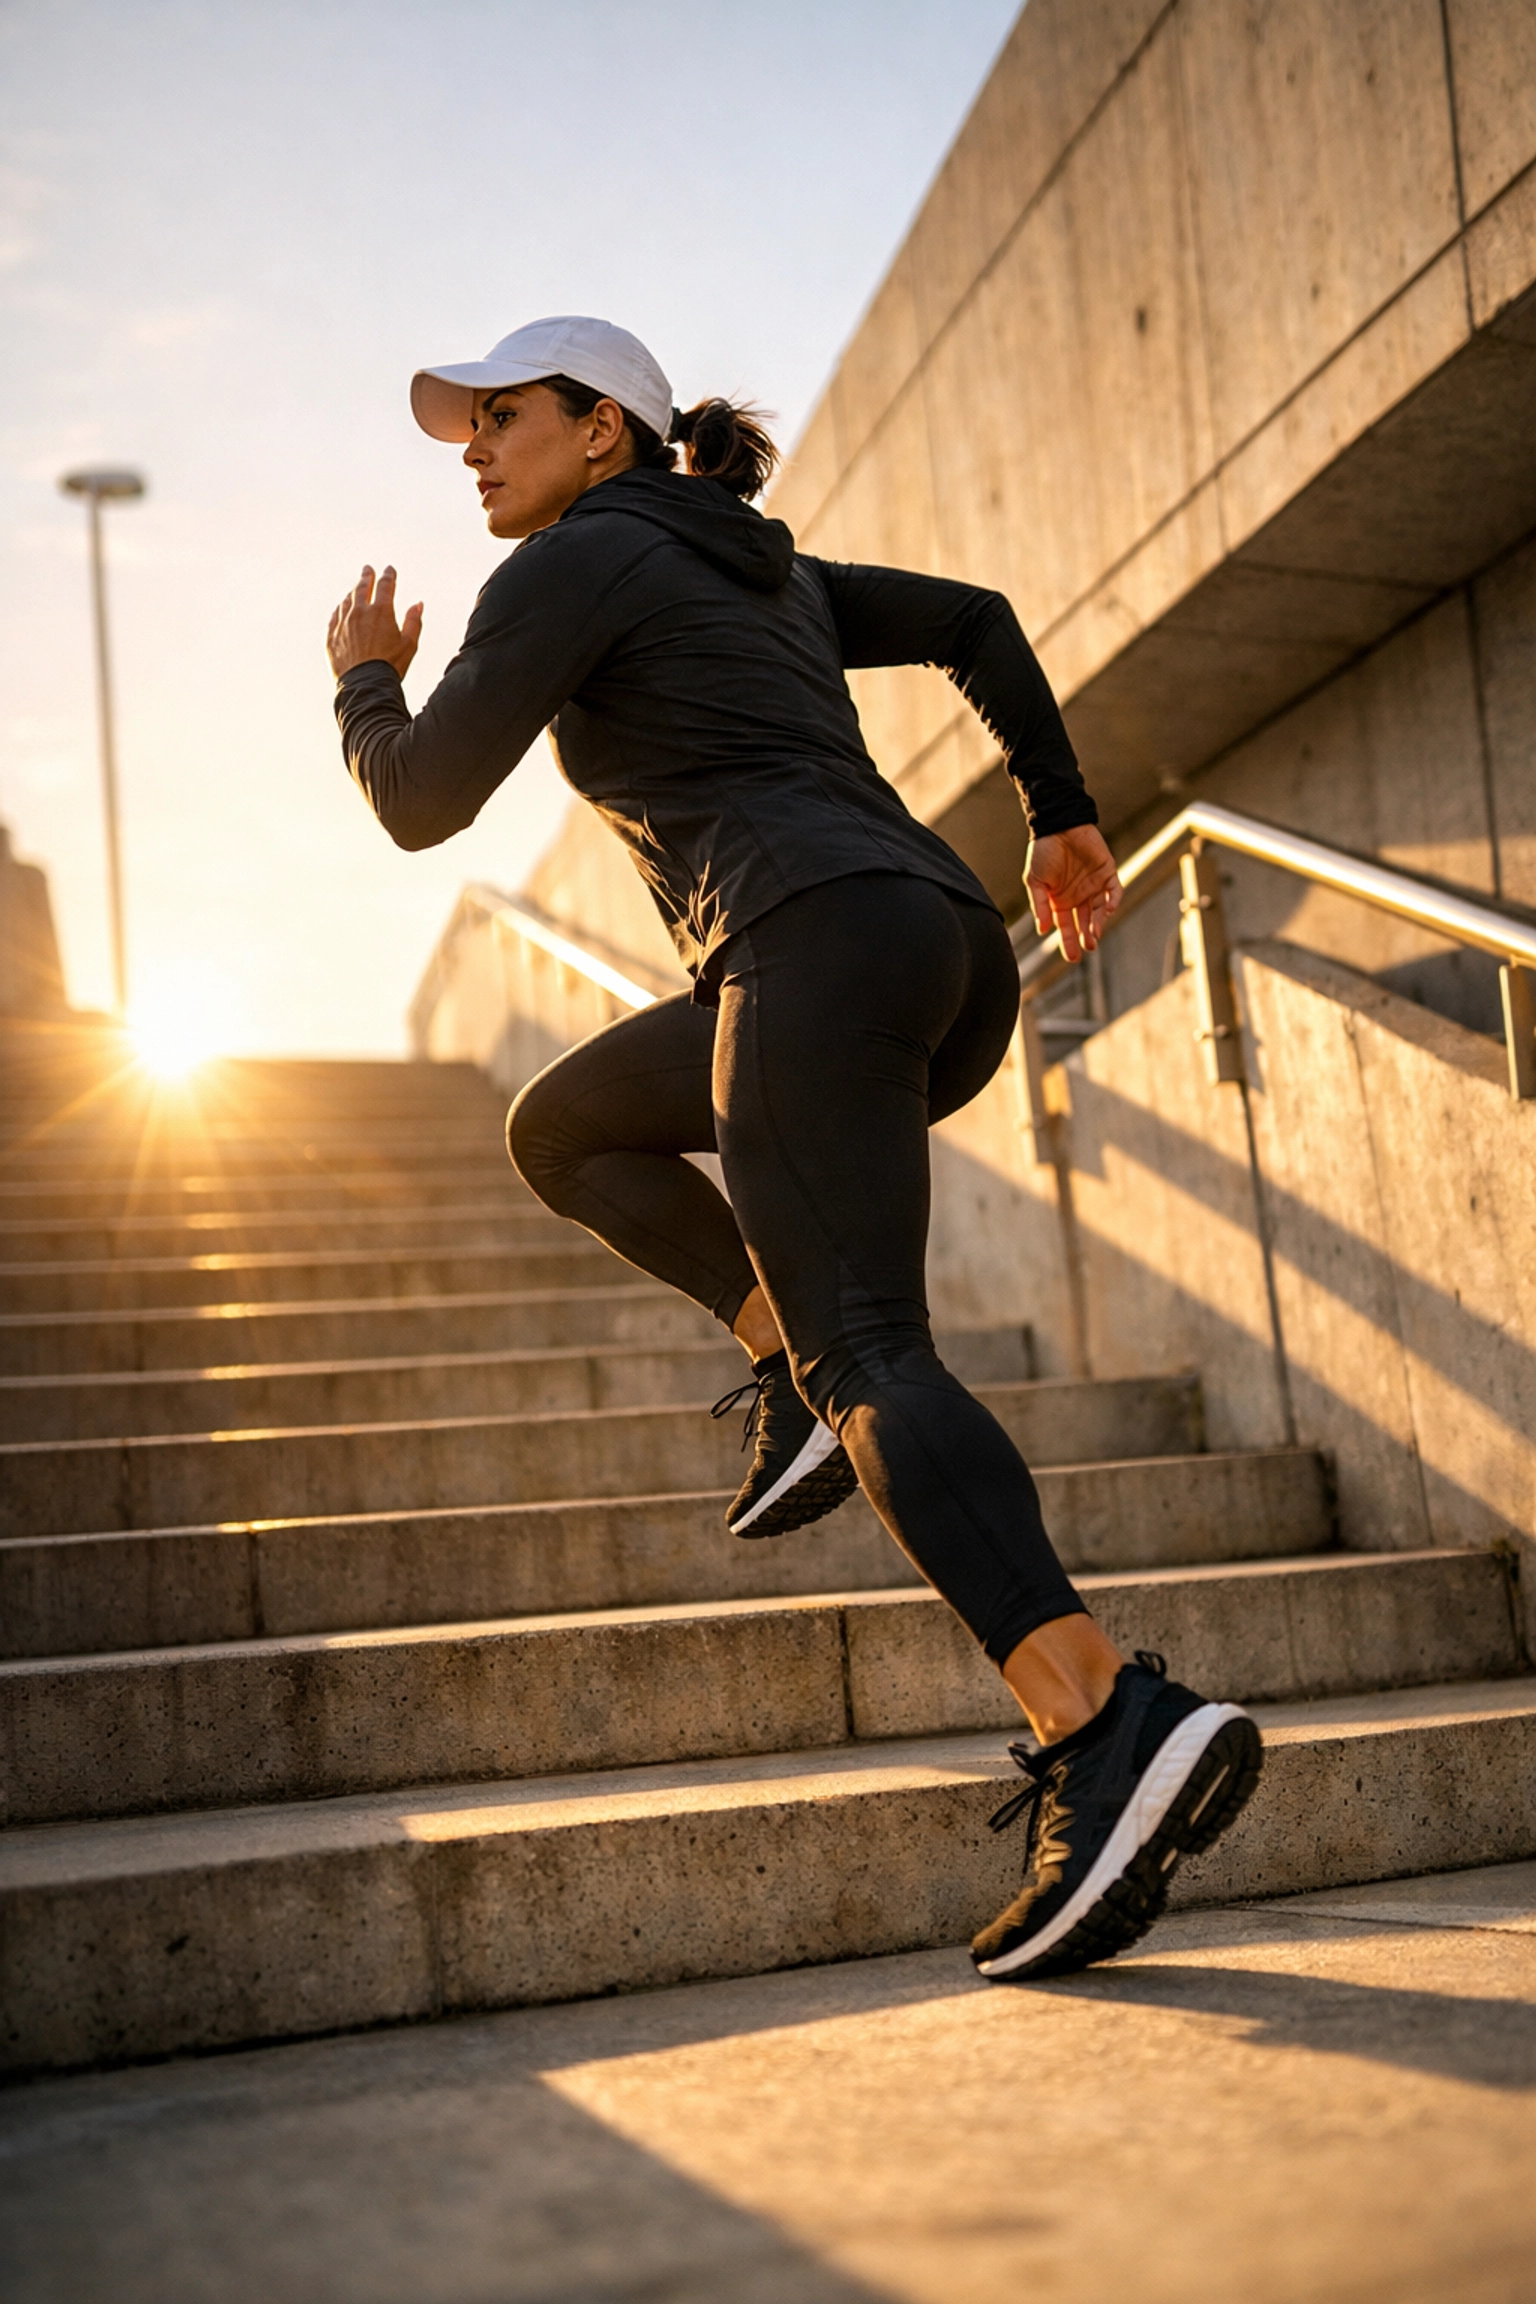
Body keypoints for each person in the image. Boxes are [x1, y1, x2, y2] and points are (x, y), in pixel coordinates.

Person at [327, 313, 1261, 1981]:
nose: (474, 447)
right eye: (461, 427)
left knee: (878, 1352)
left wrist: (363, 681)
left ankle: (1101, 1715)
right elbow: (973, 621)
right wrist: (1059, 809)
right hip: (934, 945)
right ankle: (785, 1365)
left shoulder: (567, 564)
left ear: (604, 429)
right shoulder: (765, 568)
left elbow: (418, 799)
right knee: (566, 1125)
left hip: (805, 946)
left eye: (502, 418)